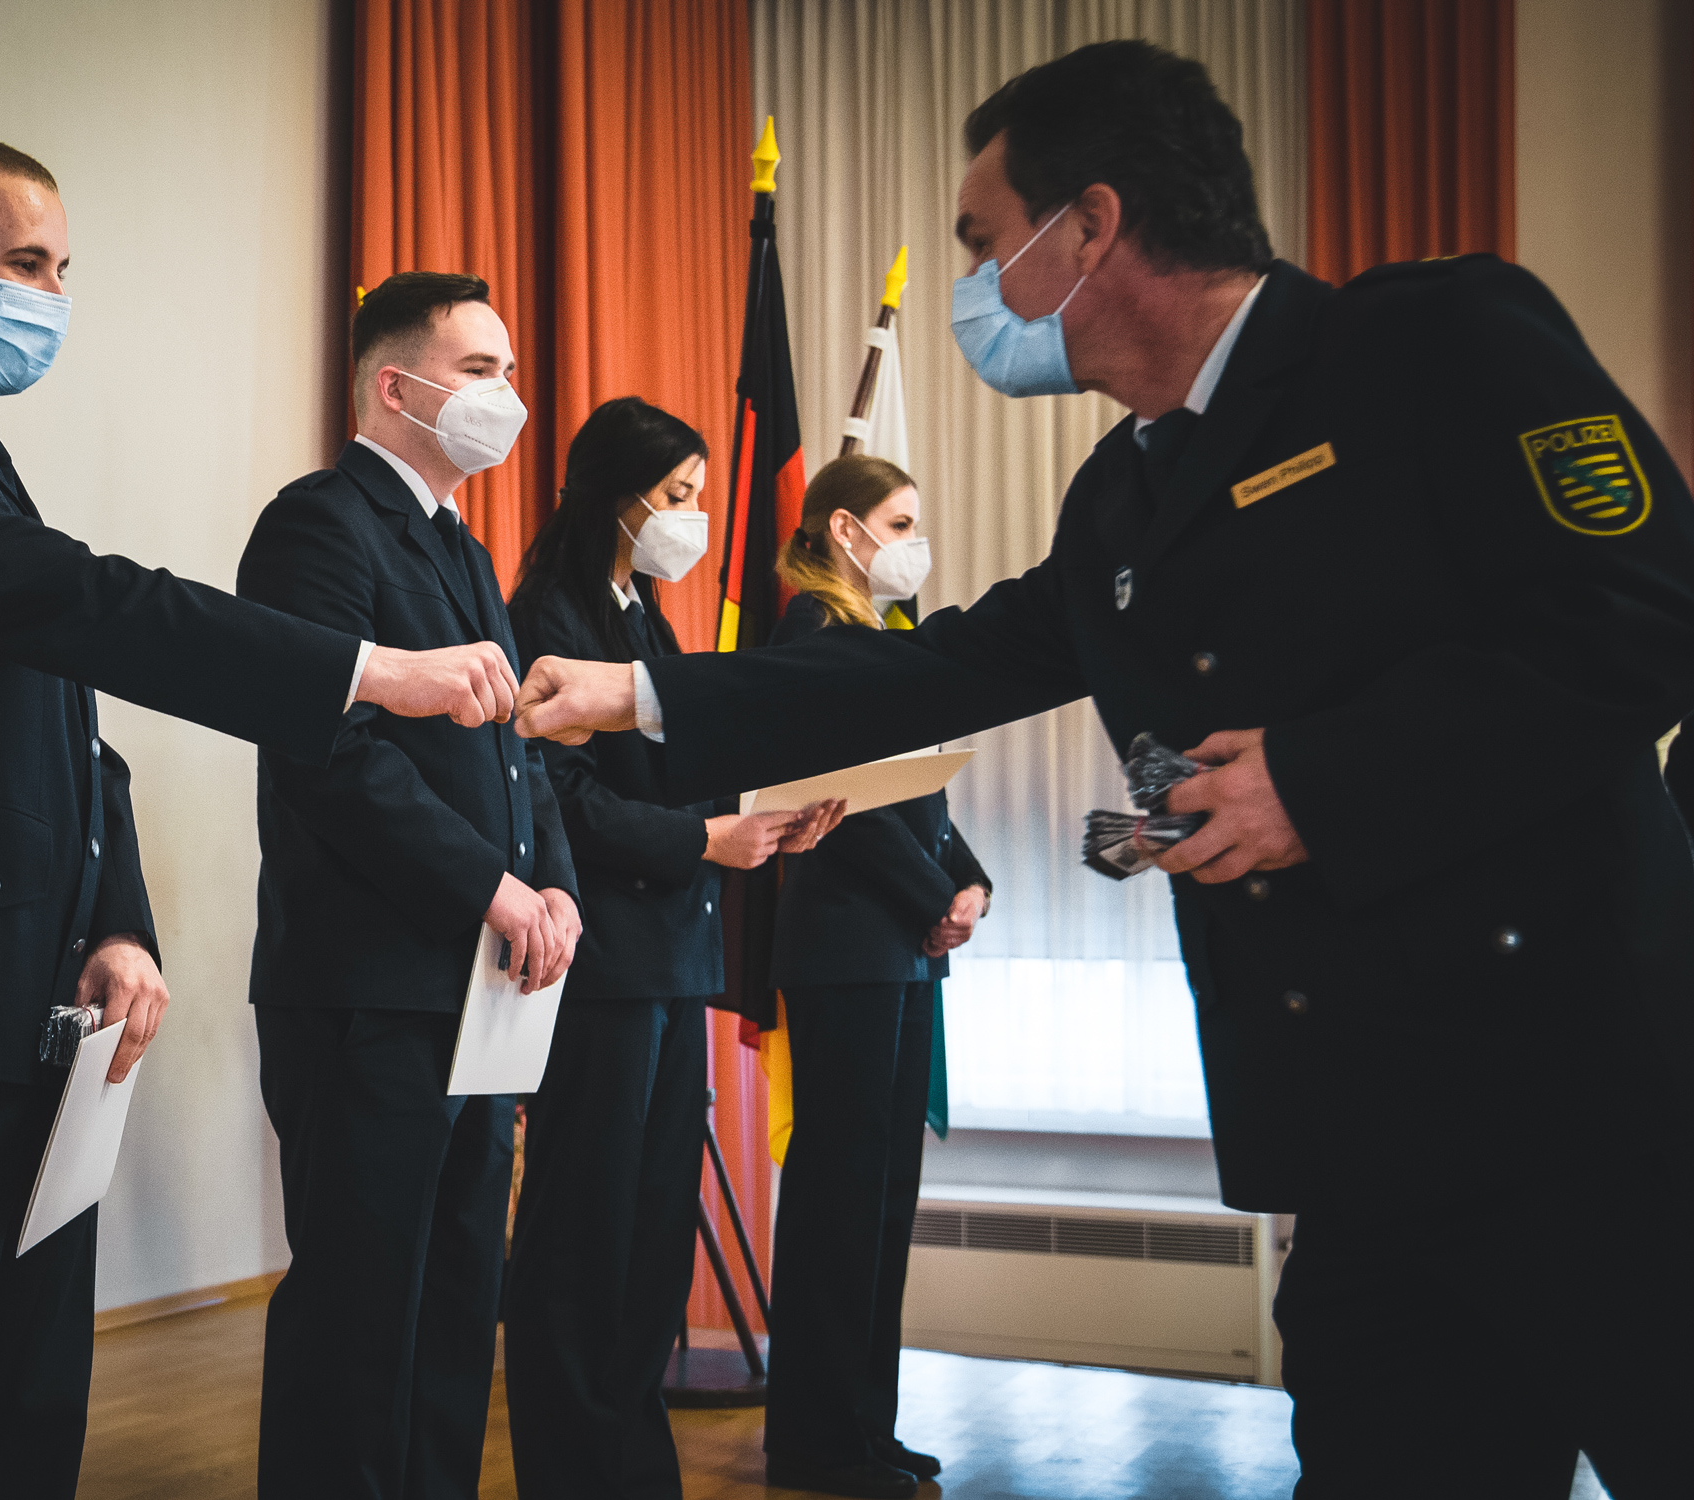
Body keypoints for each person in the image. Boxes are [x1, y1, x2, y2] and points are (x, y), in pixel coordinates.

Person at [513, 40, 1694, 1500]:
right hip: (1362, 1146)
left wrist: (1319, 784)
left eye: (981, 244)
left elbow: (1643, 609)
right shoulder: (1125, 488)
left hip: (1590, 1111)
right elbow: (936, 664)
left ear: (1091, 228)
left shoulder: (1428, 341)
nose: (974, 290)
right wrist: (636, 689)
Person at [0, 130, 519, 1500]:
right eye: (28, 263)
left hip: (43, 1017)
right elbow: (89, 608)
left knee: (20, 1419)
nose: (54, 293)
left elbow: (71, 736)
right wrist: (362, 668)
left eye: (64, 267)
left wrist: (121, 925)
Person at [234, 270, 582, 1500]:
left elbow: (509, 753)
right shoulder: (316, 526)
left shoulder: (464, 549)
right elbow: (331, 752)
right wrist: (491, 890)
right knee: (358, 1305)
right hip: (367, 988)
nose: (510, 398)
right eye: (481, 373)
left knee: (450, 1304)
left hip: (477, 988)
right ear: (396, 386)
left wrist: (555, 888)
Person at [502, 396, 841, 1500]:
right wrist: (705, 837)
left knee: (649, 1240)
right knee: (580, 1241)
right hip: (597, 966)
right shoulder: (548, 612)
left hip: (668, 961)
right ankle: (573, 1471)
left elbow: (680, 764)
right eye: (681, 498)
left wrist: (773, 808)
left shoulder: (640, 614)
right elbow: (563, 805)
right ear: (620, 495)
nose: (692, 520)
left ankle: (630, 1468)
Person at [758, 456, 991, 1500]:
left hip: (894, 944)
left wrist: (967, 878)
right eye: (898, 522)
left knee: (882, 1196)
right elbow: (836, 798)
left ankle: (866, 1425)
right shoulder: (812, 630)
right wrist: (927, 897)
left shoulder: (878, 634)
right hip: (847, 942)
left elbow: (917, 797)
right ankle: (815, 1442)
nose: (913, 540)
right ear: (845, 532)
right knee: (838, 1199)